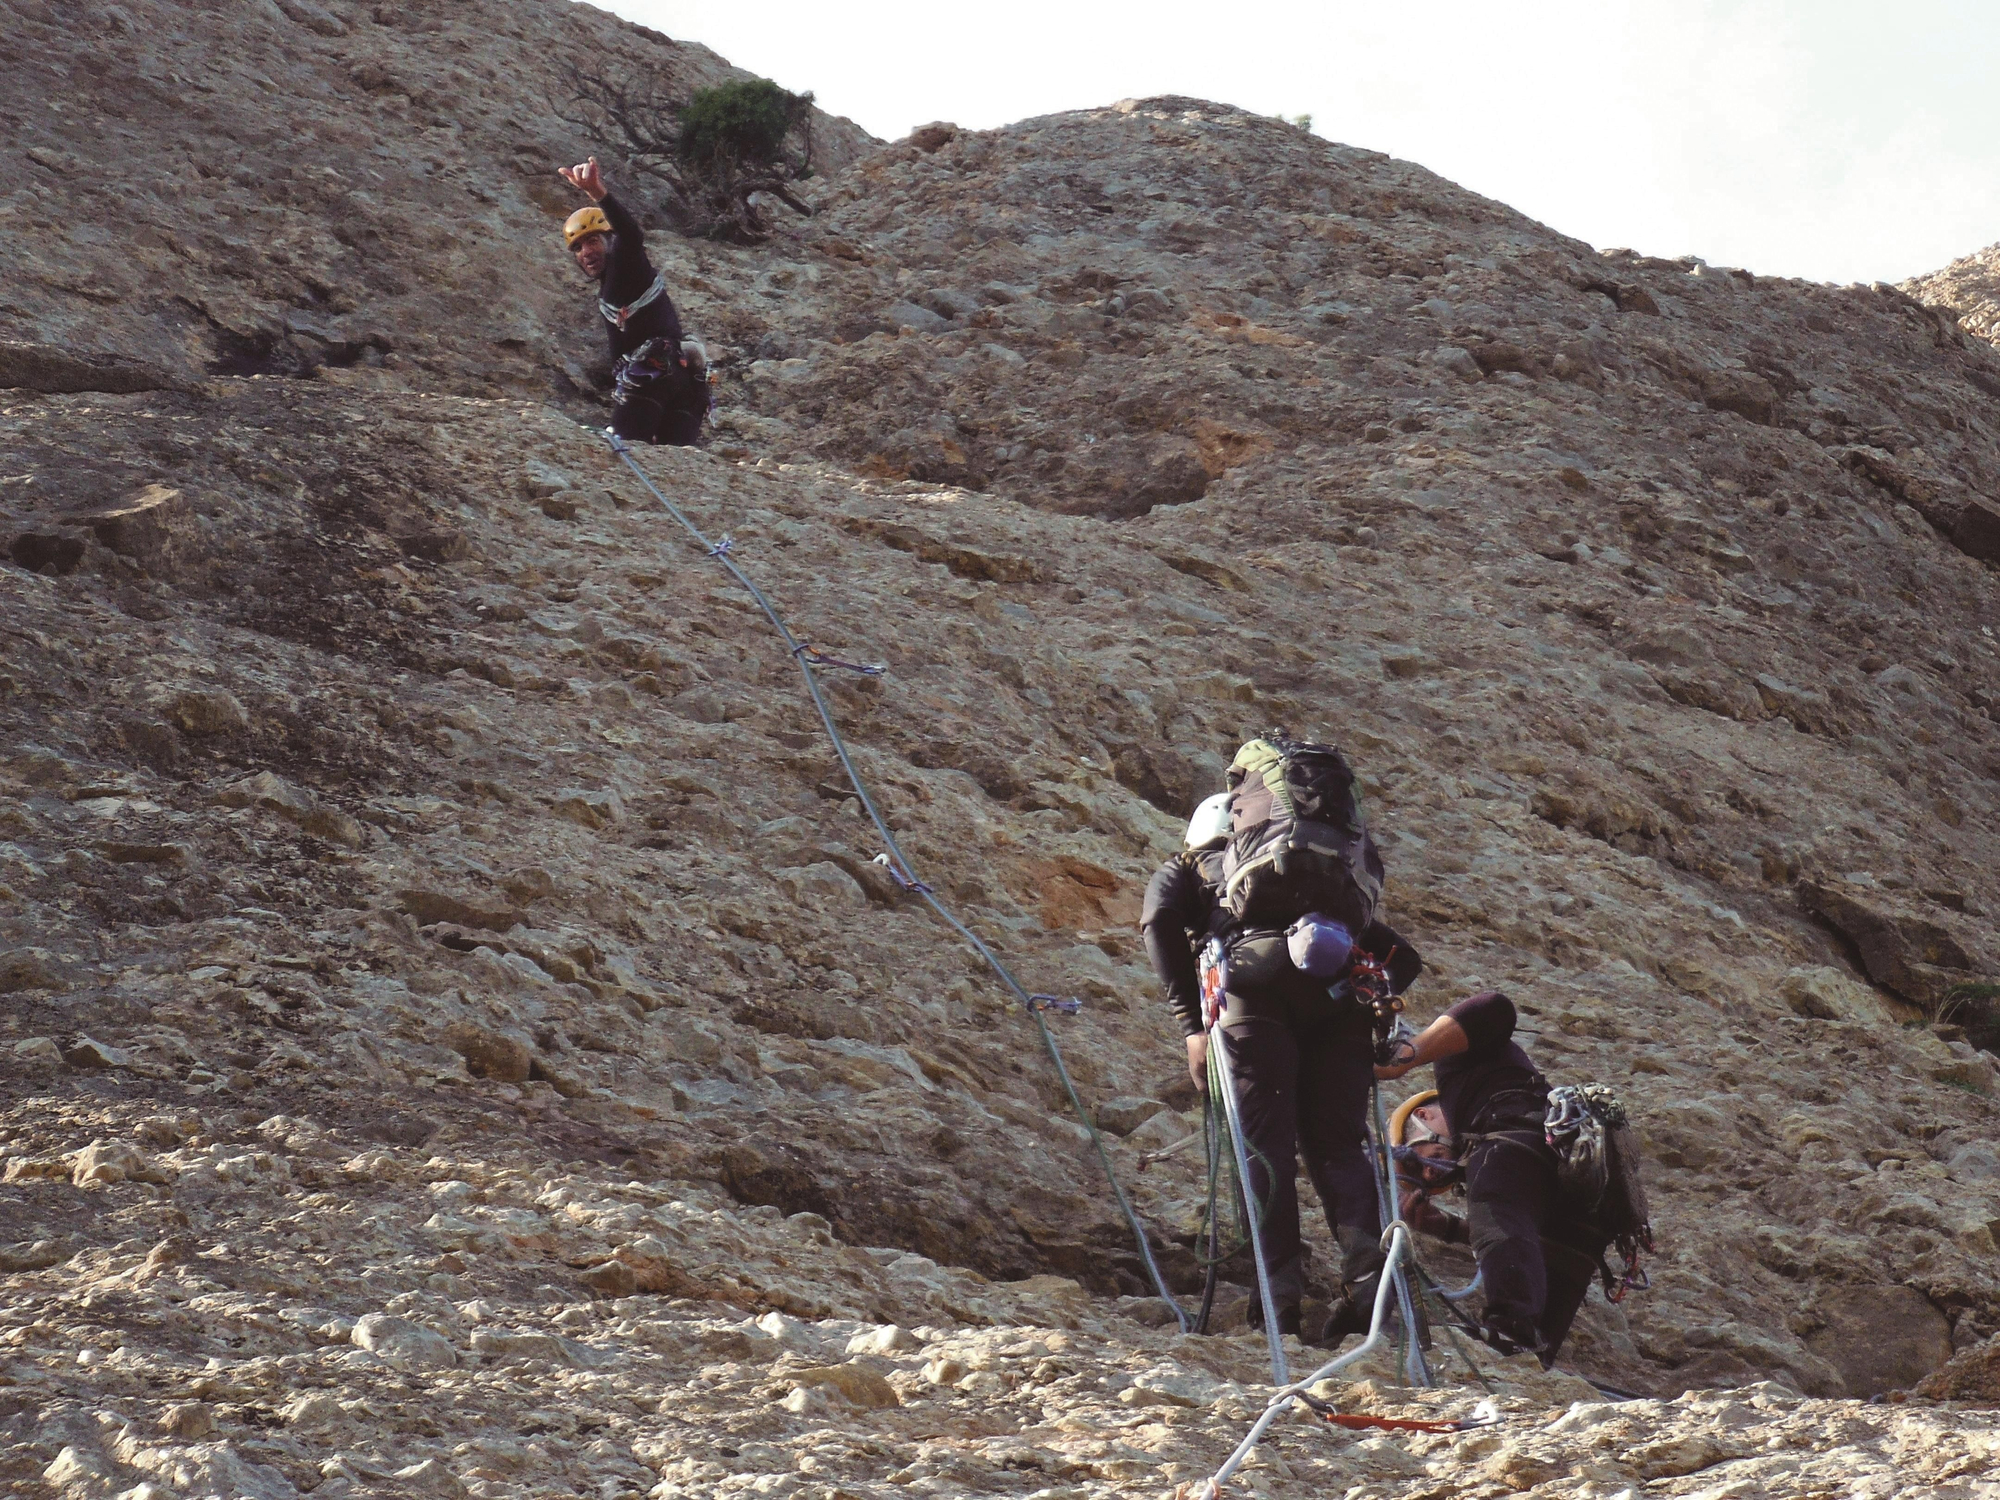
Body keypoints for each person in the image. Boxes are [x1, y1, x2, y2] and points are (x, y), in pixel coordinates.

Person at [1141, 789, 1418, 1345]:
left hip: (1253, 990)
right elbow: (1404, 960)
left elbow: (1158, 921)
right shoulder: (1322, 886)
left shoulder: (1193, 867)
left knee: (1264, 1149)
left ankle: (1278, 1302)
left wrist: (1192, 1026)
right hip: (1342, 1001)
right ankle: (1370, 1287)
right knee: (1340, 1148)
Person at [1375, 989, 1611, 1366]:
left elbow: (1494, 1008)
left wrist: (1407, 1056)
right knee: (1537, 1338)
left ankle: (1511, 1326)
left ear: (1423, 1117)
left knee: (1493, 1200)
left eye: (1416, 1161)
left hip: (1519, 1137)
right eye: (1423, 1177)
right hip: (1586, 1198)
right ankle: (1530, 1361)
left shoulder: (1455, 1069)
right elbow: (1519, 1230)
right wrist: (1448, 1228)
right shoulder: (1496, 1166)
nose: (1428, 1172)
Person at [557, 156, 707, 446]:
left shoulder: (625, 264)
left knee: (622, 450)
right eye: (578, 248)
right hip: (686, 386)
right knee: (673, 461)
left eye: (593, 241)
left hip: (653, 374)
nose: (585, 252)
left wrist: (597, 192)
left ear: (610, 241)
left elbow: (630, 234)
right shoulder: (609, 291)